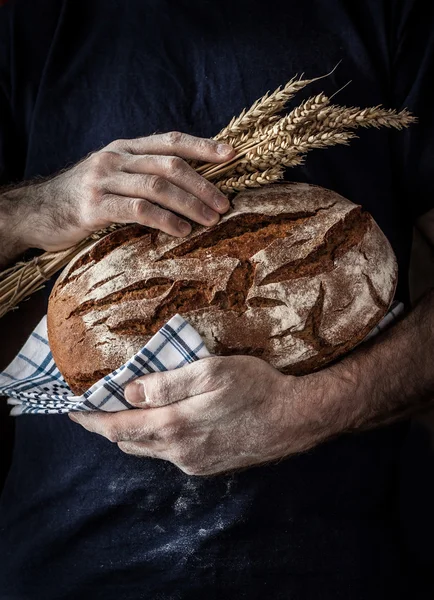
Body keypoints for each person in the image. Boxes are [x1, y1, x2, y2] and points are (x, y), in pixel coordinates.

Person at [0, 1, 433, 598]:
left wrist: (307, 411)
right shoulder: (30, 25)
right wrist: (33, 208)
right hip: (61, 569)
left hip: (337, 566)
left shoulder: (395, 14)